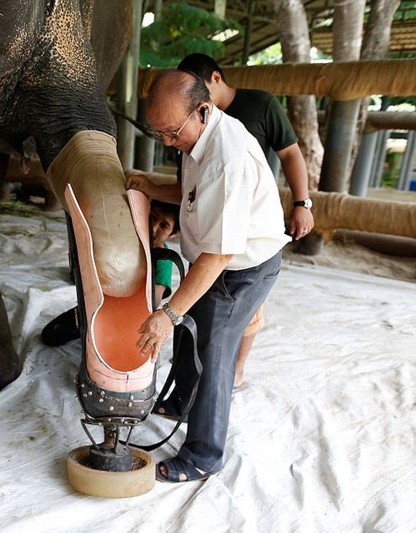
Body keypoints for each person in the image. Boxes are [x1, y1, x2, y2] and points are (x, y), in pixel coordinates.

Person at [126, 70, 290, 482]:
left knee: (213, 349)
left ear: (203, 109)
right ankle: (181, 400)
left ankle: (203, 454)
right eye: (158, 132)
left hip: (240, 270)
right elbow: (192, 195)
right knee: (189, 328)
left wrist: (166, 312)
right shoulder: (197, 135)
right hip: (213, 261)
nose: (166, 142)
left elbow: (219, 256)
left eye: (171, 132)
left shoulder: (227, 160)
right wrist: (149, 186)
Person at [177, 53, 314, 389]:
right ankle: (198, 381)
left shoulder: (260, 105)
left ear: (216, 79)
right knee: (204, 310)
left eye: (198, 89)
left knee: (245, 310)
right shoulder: (189, 118)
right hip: (211, 220)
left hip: (251, 223)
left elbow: (291, 153)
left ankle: (235, 371)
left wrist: (302, 202)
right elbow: (190, 185)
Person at [40, 200, 180, 346]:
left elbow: (153, 301)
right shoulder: (128, 240)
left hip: (127, 317)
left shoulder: (164, 259)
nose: (154, 227)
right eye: (152, 217)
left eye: (164, 226)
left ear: (173, 233)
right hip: (99, 304)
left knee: (105, 351)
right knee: (50, 335)